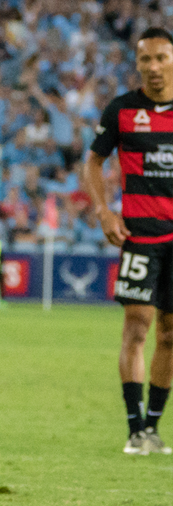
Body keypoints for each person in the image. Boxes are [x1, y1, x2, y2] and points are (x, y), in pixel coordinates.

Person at [85, 27, 173, 456]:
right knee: (137, 326)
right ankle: (135, 428)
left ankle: (153, 429)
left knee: (170, 334)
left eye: (161, 58)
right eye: (146, 60)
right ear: (137, 63)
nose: (154, 67)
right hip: (140, 235)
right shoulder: (122, 110)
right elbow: (94, 162)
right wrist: (104, 210)